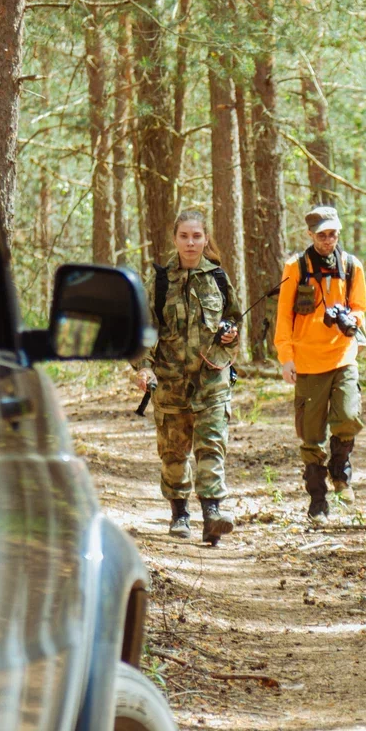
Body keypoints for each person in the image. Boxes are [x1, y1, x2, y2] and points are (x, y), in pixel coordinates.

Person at [132, 210, 238, 545]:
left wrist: (231, 335)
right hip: (170, 382)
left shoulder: (218, 278)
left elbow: (234, 317)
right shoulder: (160, 282)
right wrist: (144, 367)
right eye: (184, 236)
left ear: (206, 238)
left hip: (212, 382)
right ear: (175, 239)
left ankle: (212, 515)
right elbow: (144, 330)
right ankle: (179, 514)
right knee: (174, 452)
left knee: (212, 447)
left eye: (197, 236)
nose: (191, 243)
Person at [274, 205, 366, 525]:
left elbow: (360, 307)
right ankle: (317, 499)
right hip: (308, 361)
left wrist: (351, 320)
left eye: (334, 234)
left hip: (343, 355)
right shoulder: (295, 267)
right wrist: (286, 358)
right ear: (311, 235)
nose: (329, 240)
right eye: (323, 235)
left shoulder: (352, 266)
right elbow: (284, 317)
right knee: (311, 435)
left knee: (349, 415)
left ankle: (341, 470)